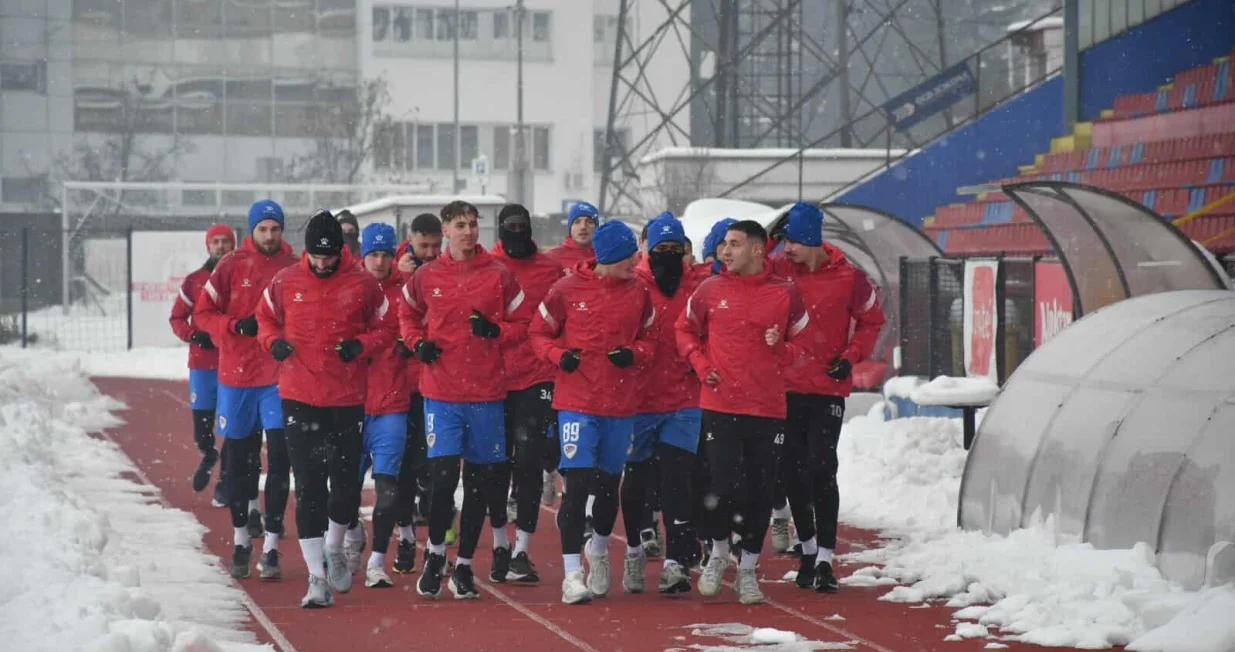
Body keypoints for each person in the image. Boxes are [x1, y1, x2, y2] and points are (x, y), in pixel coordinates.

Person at [256, 209, 394, 607]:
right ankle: (316, 578)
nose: (321, 264)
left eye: (328, 257)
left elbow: (389, 327)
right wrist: (272, 342)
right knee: (309, 486)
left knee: (345, 487)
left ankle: (335, 544)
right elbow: (264, 318)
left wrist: (361, 345)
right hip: (299, 395)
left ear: (340, 251)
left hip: (346, 398)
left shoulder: (363, 284)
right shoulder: (285, 281)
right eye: (315, 257)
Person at [398, 200, 529, 600]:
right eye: (460, 225)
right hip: (441, 394)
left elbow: (524, 324)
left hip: (486, 394)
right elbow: (406, 315)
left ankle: (466, 565)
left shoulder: (499, 275)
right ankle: (436, 554)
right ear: (446, 231)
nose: (469, 231)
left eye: (473, 224)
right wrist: (418, 343)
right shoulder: (427, 276)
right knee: (442, 479)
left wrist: (495, 331)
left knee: (479, 484)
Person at [675, 219, 809, 605]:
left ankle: (748, 567)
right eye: (724, 244)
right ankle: (719, 552)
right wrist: (701, 363)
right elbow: (684, 330)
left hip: (767, 408)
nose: (725, 251)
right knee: (722, 487)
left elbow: (803, 349)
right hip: (720, 405)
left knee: (760, 491)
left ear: (757, 249)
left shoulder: (785, 293)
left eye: (734, 244)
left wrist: (780, 347)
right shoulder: (710, 289)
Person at [529, 220, 653, 605]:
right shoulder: (565, 290)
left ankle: (597, 549)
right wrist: (558, 356)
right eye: (629, 256)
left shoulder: (639, 292)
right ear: (609, 256)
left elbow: (650, 340)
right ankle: (571, 575)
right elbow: (538, 333)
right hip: (577, 403)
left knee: (607, 487)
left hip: (619, 404)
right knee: (578, 484)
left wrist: (633, 353)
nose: (635, 262)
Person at [769, 202, 884, 593]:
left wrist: (850, 357)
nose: (787, 249)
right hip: (785, 387)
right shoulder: (778, 268)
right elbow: (737, 268)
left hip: (826, 388)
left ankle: (825, 559)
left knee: (821, 467)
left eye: (794, 242)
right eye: (784, 242)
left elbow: (872, 321)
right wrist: (767, 239)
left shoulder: (850, 277)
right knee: (791, 470)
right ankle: (807, 549)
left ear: (813, 240)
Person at [194, 200, 298, 581]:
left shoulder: (294, 266)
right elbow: (202, 314)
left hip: (279, 377)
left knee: (280, 458)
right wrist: (235, 326)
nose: (270, 236)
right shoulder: (231, 265)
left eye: (275, 229)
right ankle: (241, 539)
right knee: (240, 461)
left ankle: (270, 545)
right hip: (237, 378)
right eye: (263, 229)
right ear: (251, 230)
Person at [621, 214, 702, 595]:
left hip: (684, 398)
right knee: (637, 480)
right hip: (638, 400)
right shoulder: (631, 285)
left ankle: (676, 562)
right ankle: (634, 550)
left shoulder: (698, 287)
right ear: (646, 249)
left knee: (677, 477)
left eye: (674, 249)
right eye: (660, 249)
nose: (668, 255)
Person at [491, 203, 565, 583]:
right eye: (511, 226)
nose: (518, 232)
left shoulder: (549, 269)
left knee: (529, 463)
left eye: (523, 226)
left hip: (537, 377)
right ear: (500, 229)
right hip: (492, 380)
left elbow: (564, 316)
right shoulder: (488, 268)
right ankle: (499, 544)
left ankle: (521, 550)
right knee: (495, 465)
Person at [341, 222, 417, 589]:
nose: (380, 261)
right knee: (345, 491)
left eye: (386, 254)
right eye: (374, 253)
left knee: (388, 489)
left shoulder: (407, 294)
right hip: (350, 405)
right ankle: (352, 530)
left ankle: (376, 562)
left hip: (391, 404)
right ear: (363, 254)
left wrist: (410, 349)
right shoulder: (348, 290)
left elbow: (423, 336)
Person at [169, 223, 235, 505]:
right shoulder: (194, 281)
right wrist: (194, 335)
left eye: (225, 241)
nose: (220, 246)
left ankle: (226, 482)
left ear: (233, 245)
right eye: (215, 241)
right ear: (208, 246)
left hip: (235, 365)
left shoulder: (242, 278)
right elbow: (176, 318)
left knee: (234, 428)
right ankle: (209, 454)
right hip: (202, 365)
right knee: (202, 429)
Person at [546, 201, 598, 272]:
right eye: (577, 222)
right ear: (570, 228)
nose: (583, 226)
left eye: (589, 222)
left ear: (597, 227)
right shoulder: (551, 258)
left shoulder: (607, 256)